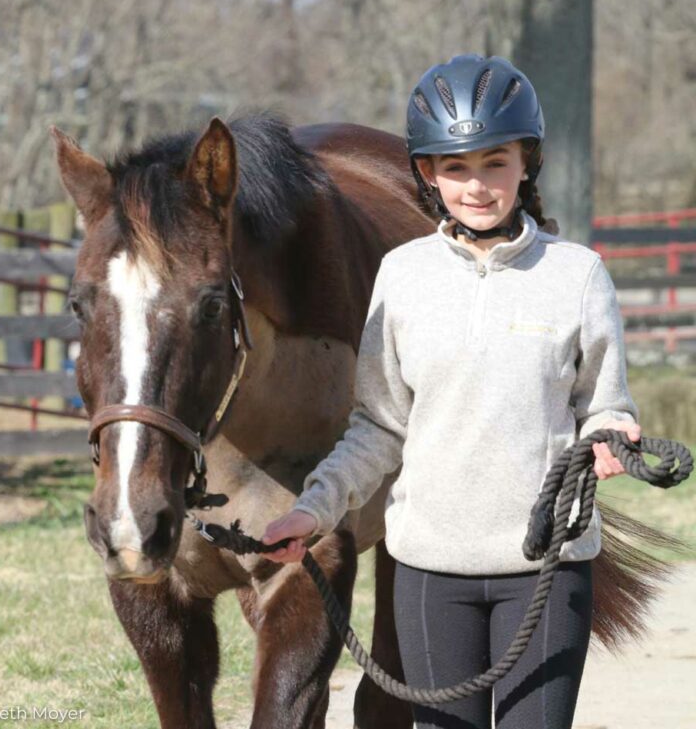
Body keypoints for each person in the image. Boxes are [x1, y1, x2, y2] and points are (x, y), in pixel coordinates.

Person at [261, 54, 641, 729]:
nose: (477, 185)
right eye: (456, 167)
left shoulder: (578, 275)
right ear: (428, 175)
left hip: (548, 573)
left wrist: (609, 434)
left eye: (494, 162)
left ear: (526, 162)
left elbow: (604, 403)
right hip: (432, 575)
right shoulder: (402, 277)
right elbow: (379, 426)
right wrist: (314, 509)